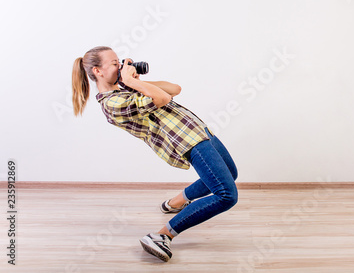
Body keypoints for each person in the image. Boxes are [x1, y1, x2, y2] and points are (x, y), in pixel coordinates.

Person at [71, 46, 238, 262]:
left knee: (230, 174)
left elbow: (174, 89)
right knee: (226, 194)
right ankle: (162, 235)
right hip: (186, 140)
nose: (121, 66)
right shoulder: (112, 103)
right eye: (114, 64)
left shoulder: (126, 87)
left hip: (199, 130)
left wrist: (132, 81)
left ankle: (175, 203)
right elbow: (162, 99)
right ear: (97, 71)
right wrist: (132, 83)